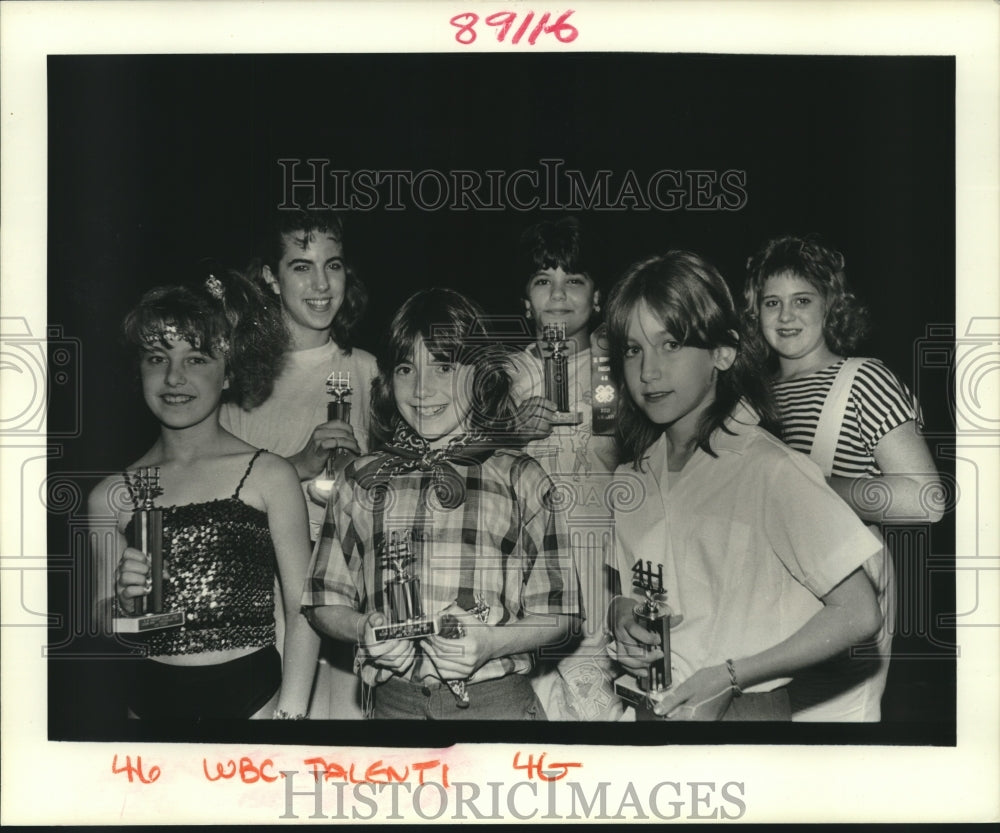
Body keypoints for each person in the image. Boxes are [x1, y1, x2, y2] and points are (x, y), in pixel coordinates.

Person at [606, 250, 884, 721]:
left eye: (671, 344)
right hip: (649, 710)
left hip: (741, 709)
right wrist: (622, 617)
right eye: (634, 349)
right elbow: (625, 588)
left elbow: (859, 613)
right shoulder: (630, 477)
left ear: (723, 352)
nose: (648, 372)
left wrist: (731, 676)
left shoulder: (770, 469)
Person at [302, 288, 580, 720]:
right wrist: (362, 628)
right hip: (393, 707)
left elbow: (561, 613)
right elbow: (322, 600)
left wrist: (490, 643)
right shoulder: (360, 478)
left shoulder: (521, 477)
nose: (421, 389)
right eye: (406, 368)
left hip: (496, 705)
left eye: (444, 367)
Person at [88, 272, 319, 720]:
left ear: (230, 372)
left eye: (196, 359)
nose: (173, 377)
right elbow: (106, 624)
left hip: (254, 697)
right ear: (138, 368)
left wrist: (290, 719)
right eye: (157, 357)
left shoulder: (269, 475)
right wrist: (123, 605)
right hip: (148, 701)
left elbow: (303, 608)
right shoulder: (110, 496)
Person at [743, 234, 943, 721]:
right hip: (763, 603)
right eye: (772, 302)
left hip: (844, 600)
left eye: (802, 300)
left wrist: (815, 489)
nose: (786, 315)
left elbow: (926, 500)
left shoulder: (863, 380)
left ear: (831, 306)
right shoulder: (751, 396)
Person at [220, 208, 377, 719]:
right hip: (257, 593)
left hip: (344, 588)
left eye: (332, 265)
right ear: (269, 276)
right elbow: (219, 491)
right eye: (300, 266)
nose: (320, 283)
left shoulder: (368, 370)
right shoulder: (238, 379)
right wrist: (298, 464)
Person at [506, 216, 622, 721]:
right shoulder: (501, 374)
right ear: (524, 299)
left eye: (573, 279)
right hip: (521, 567)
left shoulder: (621, 367)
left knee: (596, 710)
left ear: (597, 297)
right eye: (542, 280)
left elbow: (634, 462)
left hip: (596, 559)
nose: (558, 294)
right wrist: (509, 432)